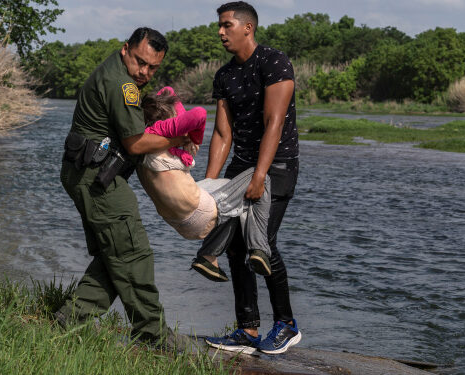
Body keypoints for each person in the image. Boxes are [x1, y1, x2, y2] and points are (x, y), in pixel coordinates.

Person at [54, 27, 191, 346]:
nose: (144, 72)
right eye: (140, 62)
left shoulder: (115, 71)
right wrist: (178, 139)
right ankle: (153, 336)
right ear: (125, 49)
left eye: (153, 67)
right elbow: (135, 142)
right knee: (133, 252)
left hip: (86, 171)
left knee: (115, 252)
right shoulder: (122, 84)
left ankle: (70, 319)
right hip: (95, 177)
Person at [201, 2, 302, 355]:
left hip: (277, 167)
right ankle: (247, 330)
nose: (220, 31)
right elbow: (222, 135)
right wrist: (208, 186)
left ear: (248, 28)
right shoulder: (225, 75)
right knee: (235, 246)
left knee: (263, 241)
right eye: (220, 25)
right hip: (240, 168)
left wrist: (260, 176)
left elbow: (274, 123)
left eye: (226, 25)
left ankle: (287, 325)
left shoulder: (274, 62)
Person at [136, 87, 272, 282]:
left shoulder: (143, 143)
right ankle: (259, 249)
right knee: (259, 178)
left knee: (229, 190)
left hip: (176, 220)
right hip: (198, 214)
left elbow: (168, 91)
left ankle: (208, 258)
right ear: (170, 123)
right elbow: (199, 114)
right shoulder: (164, 135)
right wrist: (193, 137)